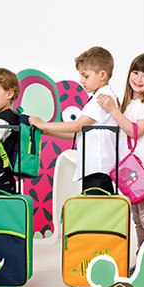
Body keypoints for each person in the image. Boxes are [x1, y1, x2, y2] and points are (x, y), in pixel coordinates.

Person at [29, 47, 119, 195]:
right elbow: (77, 134)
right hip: (94, 169)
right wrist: (45, 131)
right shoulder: (97, 98)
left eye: (85, 76)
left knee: (98, 206)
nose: (81, 80)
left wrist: (43, 124)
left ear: (102, 75)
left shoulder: (102, 98)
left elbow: (77, 126)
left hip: (98, 169)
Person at [97, 53, 144, 249]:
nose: (139, 79)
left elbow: (135, 132)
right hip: (129, 170)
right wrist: (117, 109)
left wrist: (113, 110)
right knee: (137, 218)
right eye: (136, 72)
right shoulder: (127, 105)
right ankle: (143, 255)